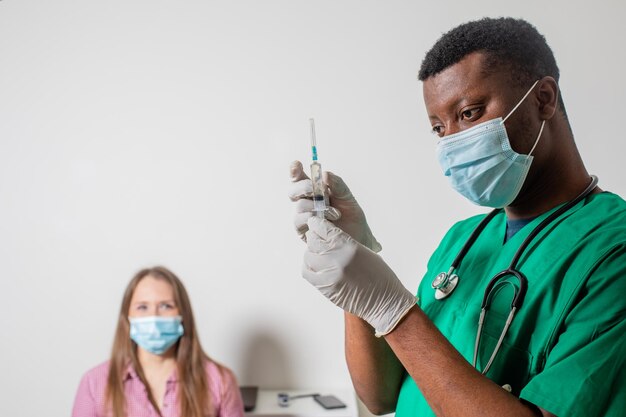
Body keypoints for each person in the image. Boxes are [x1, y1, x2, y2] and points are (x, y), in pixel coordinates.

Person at [289, 17, 626, 417]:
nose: (452, 142)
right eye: (438, 128)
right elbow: (379, 396)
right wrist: (358, 276)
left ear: (544, 99)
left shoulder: (612, 250)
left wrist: (392, 310)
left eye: (468, 113)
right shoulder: (463, 239)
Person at [72, 266, 244, 417]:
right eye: (142, 307)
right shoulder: (94, 383)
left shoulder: (219, 381)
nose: (153, 317)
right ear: (127, 317)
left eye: (166, 306)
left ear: (182, 314)